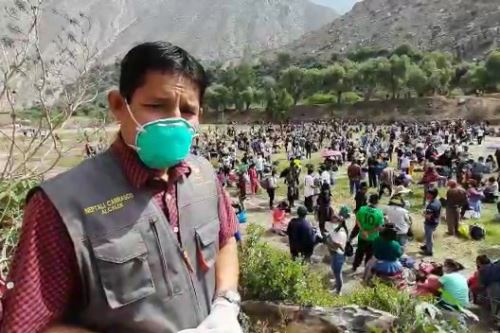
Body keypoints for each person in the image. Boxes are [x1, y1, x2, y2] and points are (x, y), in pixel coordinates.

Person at [1, 42, 242, 333]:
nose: (174, 121)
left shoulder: (203, 175)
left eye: (188, 111)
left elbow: (226, 239)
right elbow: (31, 327)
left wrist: (226, 304)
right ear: (118, 105)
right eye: (156, 106)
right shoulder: (62, 205)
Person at [352, 194, 384, 272]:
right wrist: (368, 233)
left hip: (361, 236)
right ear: (377, 202)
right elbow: (379, 227)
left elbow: (357, 221)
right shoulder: (379, 213)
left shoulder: (362, 209)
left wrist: (363, 231)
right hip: (372, 238)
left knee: (359, 252)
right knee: (369, 255)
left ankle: (355, 266)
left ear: (369, 200)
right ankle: (366, 270)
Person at [324, 209, 349, 294]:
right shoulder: (338, 229)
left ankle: (338, 291)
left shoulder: (340, 233)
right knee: (334, 269)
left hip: (338, 254)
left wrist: (328, 242)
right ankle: (336, 282)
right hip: (336, 254)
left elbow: (337, 246)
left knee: (338, 273)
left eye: (334, 219)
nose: (331, 220)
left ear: (338, 222)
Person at [421, 188, 441, 256]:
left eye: (428, 194)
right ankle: (426, 246)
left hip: (430, 223)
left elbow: (428, 216)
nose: (427, 195)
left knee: (429, 237)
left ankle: (429, 251)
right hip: (435, 220)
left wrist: (423, 213)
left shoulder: (432, 205)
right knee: (428, 235)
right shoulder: (437, 201)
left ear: (432, 195)